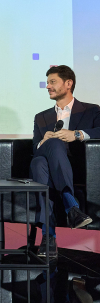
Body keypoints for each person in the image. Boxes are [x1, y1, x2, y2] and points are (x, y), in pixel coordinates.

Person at [30, 65, 100, 259]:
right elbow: (35, 147)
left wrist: (76, 134)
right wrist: (45, 141)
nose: (48, 86)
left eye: (52, 82)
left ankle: (48, 236)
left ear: (68, 84)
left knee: (39, 165)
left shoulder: (91, 110)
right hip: (47, 156)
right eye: (47, 82)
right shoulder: (41, 117)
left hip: (76, 167)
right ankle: (71, 206)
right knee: (48, 146)